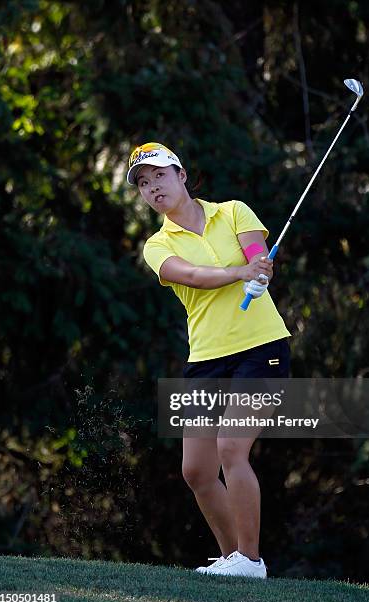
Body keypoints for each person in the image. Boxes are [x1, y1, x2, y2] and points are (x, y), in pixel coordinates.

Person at [127, 142, 291, 578]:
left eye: (159, 175)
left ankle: (251, 561)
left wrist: (259, 269)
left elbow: (258, 255)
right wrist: (239, 273)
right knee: (197, 471)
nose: (152, 187)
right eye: (143, 183)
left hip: (262, 349)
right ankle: (233, 558)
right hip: (206, 359)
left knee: (232, 448)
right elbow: (193, 277)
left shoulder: (234, 211)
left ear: (181, 175)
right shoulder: (156, 245)